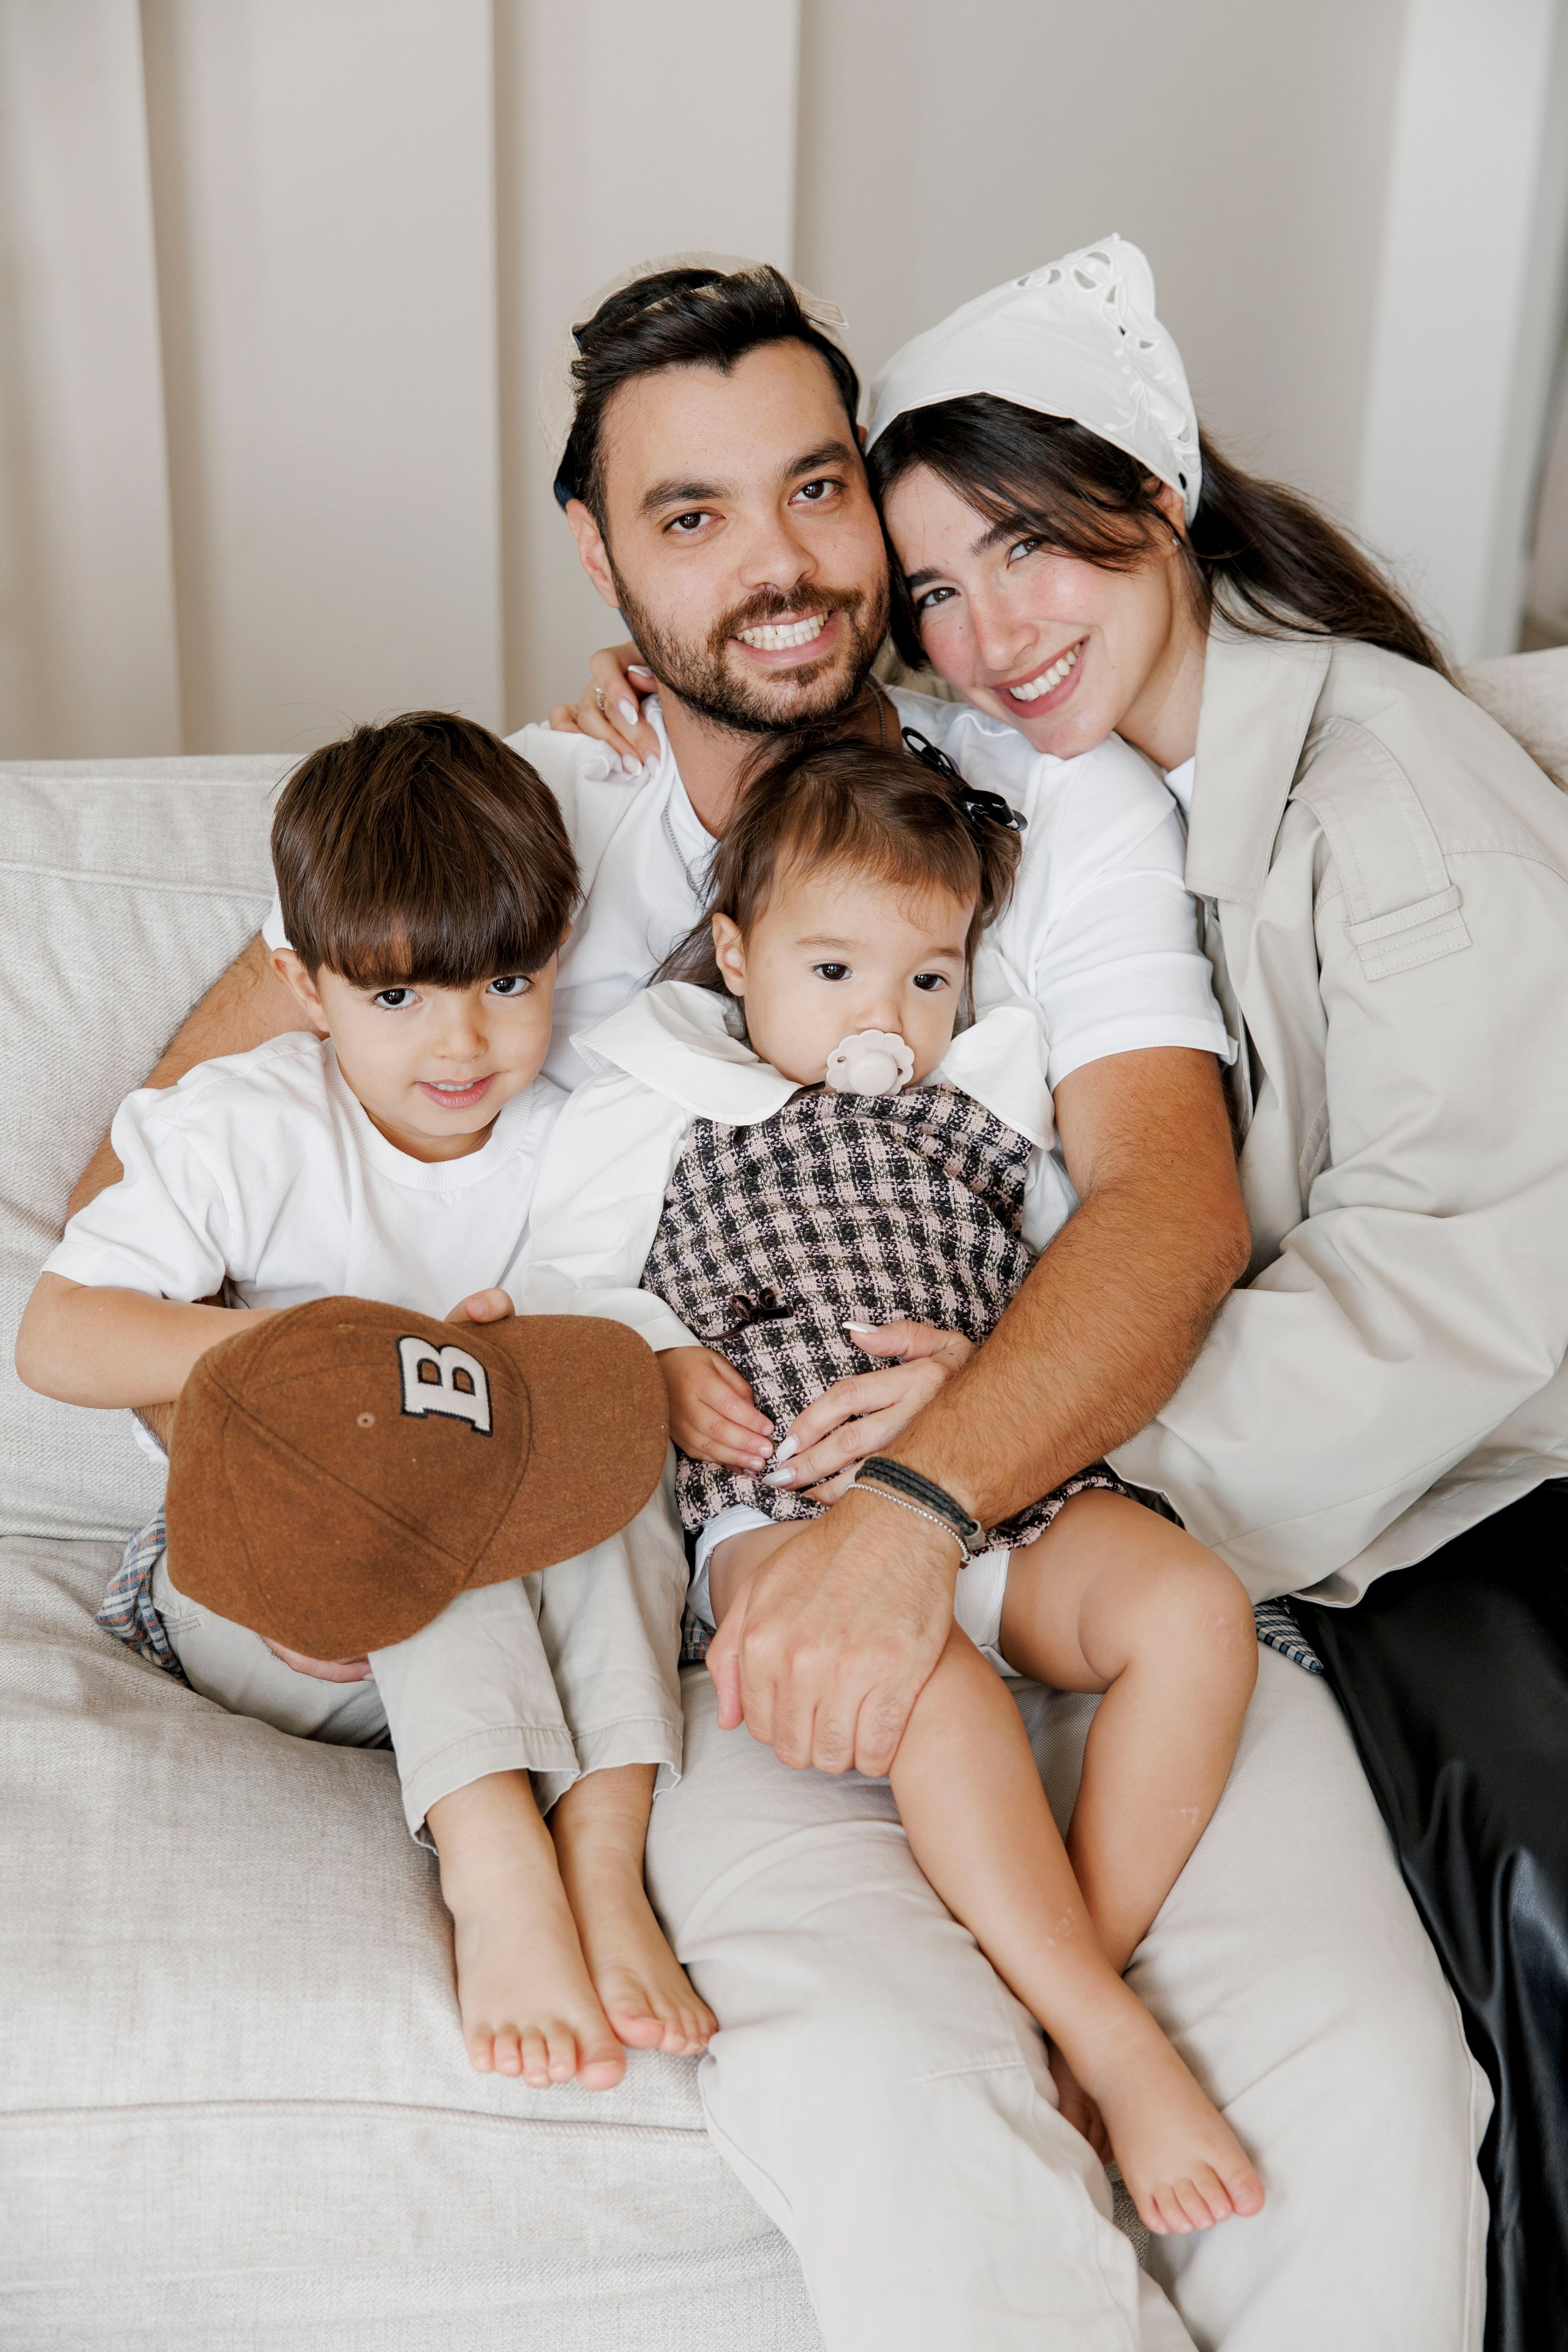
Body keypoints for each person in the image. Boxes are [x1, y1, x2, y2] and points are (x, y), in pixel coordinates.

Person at [68, 256, 1484, 2350]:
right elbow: (148, 1196)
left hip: (1063, 1516)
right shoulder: (536, 830)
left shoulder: (1045, 796)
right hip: (733, 1604)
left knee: (1365, 2095)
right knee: (904, 2106)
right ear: (600, 555)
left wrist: (936, 1496)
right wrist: (348, 1470)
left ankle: (1102, 2012)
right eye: (693, 514)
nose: (783, 568)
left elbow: (1166, 1208)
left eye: (817, 489)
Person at [530, 731, 1265, 2238]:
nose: (884, 1017)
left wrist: (980, 1375)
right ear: (736, 957)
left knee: (1193, 1613)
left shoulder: (989, 1094)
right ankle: (1110, 2034)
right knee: (919, 1674)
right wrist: (657, 1360)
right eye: (833, 972)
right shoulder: (658, 1086)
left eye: (927, 977)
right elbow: (561, 1280)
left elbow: (1077, 1286)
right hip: (782, 1490)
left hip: (989, 1475)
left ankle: (1061, 1974)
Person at [17, 711, 714, 2092]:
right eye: (397, 998)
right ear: (304, 982)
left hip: (513, 1578)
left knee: (605, 1428)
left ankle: (603, 1843)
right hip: (272, 1590)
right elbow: (56, 1337)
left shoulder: (577, 1136)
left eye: (506, 981)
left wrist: (596, 1360)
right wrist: (324, 1362)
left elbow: (600, 1347)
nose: (462, 1041)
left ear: (561, 950)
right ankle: (495, 1860)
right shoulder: (245, 1123)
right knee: (404, 1461)